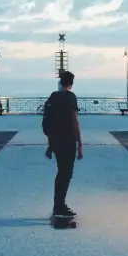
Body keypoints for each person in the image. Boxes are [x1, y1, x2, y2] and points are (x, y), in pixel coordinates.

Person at [43, 70, 82, 218]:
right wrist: (80, 145)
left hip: (56, 141)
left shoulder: (54, 96)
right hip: (68, 141)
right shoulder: (70, 98)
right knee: (66, 174)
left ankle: (58, 204)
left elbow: (51, 122)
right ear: (71, 84)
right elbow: (74, 121)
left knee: (61, 173)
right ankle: (60, 206)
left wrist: (50, 144)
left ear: (61, 82)